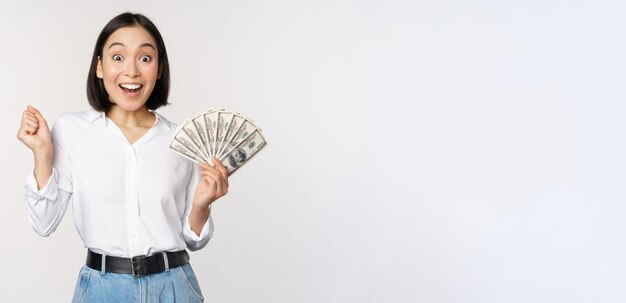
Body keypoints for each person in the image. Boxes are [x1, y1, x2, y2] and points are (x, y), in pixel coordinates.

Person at [16, 12, 228, 302]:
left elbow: (195, 239)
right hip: (102, 290)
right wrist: (41, 153)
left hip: (174, 287)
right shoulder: (71, 130)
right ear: (99, 67)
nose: (132, 71)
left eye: (145, 58)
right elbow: (44, 224)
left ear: (159, 69)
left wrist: (202, 205)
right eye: (118, 57)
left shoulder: (181, 140)